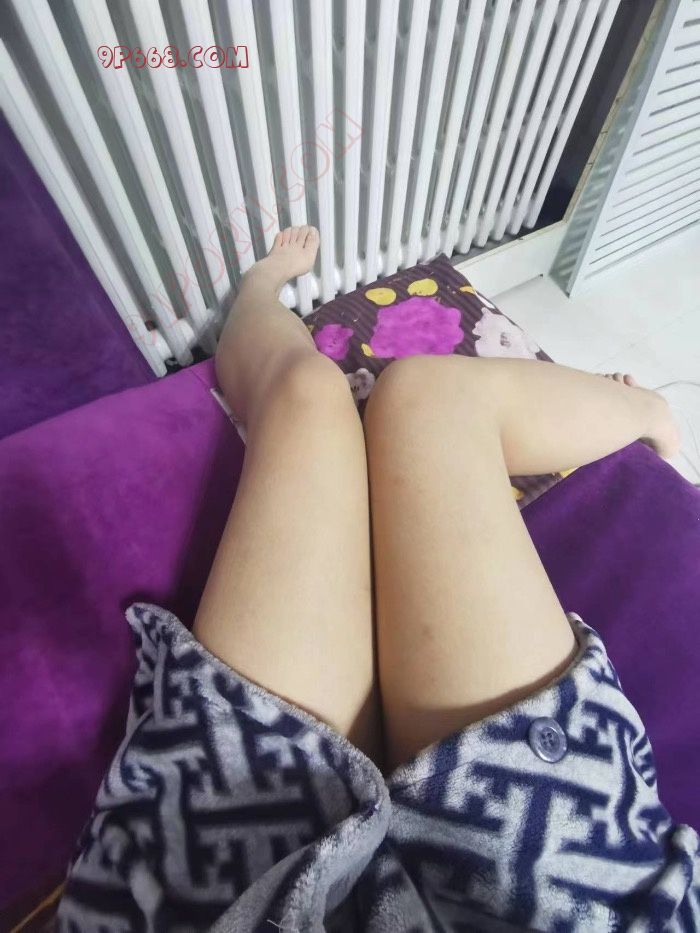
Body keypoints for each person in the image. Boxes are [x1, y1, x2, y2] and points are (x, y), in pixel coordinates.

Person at [57, 227, 699, 931]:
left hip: (207, 894)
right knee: (425, 398)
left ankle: (259, 293)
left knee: (306, 392)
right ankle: (646, 410)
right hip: (559, 895)